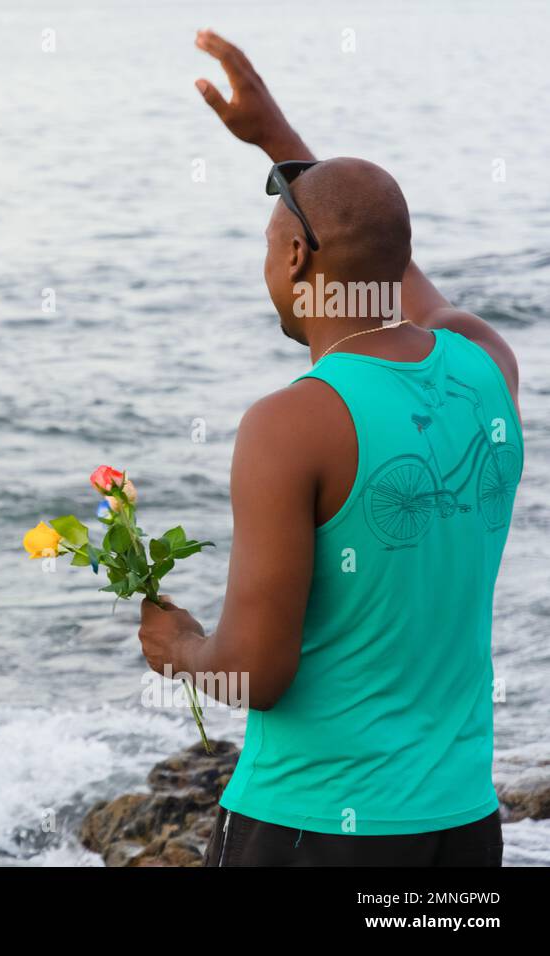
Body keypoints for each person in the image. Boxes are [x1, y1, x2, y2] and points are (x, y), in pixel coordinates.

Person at [135, 30, 523, 866]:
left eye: (273, 244)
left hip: (312, 826)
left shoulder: (292, 424)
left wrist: (179, 649)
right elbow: (394, 278)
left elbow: (255, 673)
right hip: (460, 827)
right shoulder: (488, 363)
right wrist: (279, 142)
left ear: (297, 256)